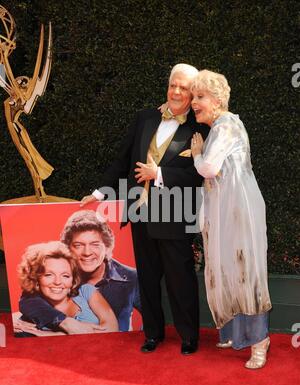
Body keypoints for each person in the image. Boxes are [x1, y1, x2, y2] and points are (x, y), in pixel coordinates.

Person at [81, 63, 210, 354]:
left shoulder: (200, 127)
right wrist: (100, 192)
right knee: (148, 279)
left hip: (177, 213)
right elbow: (122, 159)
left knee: (181, 280)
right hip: (139, 212)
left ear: (193, 93)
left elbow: (200, 175)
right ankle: (153, 334)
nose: (176, 91)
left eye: (184, 88)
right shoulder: (145, 117)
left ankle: (189, 336)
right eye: (173, 85)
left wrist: (160, 175)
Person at [190, 69, 272, 368]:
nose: (194, 102)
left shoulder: (227, 126)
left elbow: (209, 168)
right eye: (193, 96)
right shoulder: (219, 127)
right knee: (226, 268)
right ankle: (235, 333)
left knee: (245, 271)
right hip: (226, 209)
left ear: (217, 99)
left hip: (240, 210)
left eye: (200, 96)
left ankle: (260, 341)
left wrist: (198, 155)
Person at [18, 210, 141, 333]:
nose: (87, 252)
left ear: (107, 247)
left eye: (95, 244)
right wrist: (63, 323)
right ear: (67, 248)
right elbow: (27, 300)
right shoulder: (58, 273)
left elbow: (152, 313)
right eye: (78, 245)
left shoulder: (131, 277)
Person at [14, 241, 118, 336]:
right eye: (49, 275)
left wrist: (56, 334)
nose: (58, 282)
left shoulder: (86, 291)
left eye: (65, 276)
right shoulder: (32, 311)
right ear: (36, 278)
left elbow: (112, 328)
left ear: (73, 279)